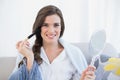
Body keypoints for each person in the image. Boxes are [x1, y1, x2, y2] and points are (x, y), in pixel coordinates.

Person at [9, 5, 96, 80]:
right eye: (45, 25)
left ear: (61, 27)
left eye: (56, 25)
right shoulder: (26, 52)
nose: (51, 31)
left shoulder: (74, 54)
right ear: (39, 29)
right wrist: (30, 58)